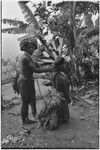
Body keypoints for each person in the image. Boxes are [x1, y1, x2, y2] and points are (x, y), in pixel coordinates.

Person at [16, 38, 53, 125]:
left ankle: (32, 116)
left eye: (32, 47)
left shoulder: (31, 55)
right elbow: (35, 69)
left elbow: (36, 63)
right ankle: (25, 120)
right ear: (24, 48)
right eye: (28, 47)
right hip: (24, 81)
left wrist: (47, 63)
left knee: (31, 98)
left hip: (29, 80)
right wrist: (48, 68)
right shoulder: (25, 57)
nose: (31, 49)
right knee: (25, 101)